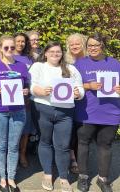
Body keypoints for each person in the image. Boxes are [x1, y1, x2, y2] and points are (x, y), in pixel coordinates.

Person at [29, 42, 84, 192]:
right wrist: (39, 91)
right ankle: (47, 174)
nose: (55, 54)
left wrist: (78, 94)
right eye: (51, 51)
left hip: (65, 113)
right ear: (45, 53)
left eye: (58, 51)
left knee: (63, 145)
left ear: (62, 53)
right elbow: (31, 85)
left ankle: (63, 177)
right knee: (45, 141)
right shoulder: (38, 67)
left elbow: (80, 87)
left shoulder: (71, 69)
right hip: (42, 109)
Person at [75, 33, 120, 192]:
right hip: (87, 112)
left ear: (103, 46)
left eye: (96, 45)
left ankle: (103, 179)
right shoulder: (80, 64)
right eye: (90, 46)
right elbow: (73, 86)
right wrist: (89, 86)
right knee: (83, 144)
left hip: (111, 112)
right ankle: (83, 177)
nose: (93, 48)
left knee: (105, 145)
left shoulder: (115, 64)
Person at [0, 35, 30, 192]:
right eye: (6, 48)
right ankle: (2, 178)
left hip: (18, 111)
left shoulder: (22, 66)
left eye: (12, 47)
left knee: (13, 146)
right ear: (1, 49)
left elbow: (27, 88)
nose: (10, 50)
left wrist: (26, 91)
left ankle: (11, 177)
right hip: (0, 111)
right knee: (1, 146)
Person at [64, 33, 87, 174]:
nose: (74, 46)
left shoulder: (89, 59)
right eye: (71, 44)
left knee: (82, 131)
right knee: (71, 130)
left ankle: (81, 157)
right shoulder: (65, 60)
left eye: (77, 43)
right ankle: (72, 158)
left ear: (83, 44)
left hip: (87, 101)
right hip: (69, 101)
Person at [13, 32, 35, 169]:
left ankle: (22, 153)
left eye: (23, 41)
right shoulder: (6, 56)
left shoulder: (29, 59)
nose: (20, 44)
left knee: (25, 129)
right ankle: (13, 154)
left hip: (26, 98)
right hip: (10, 98)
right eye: (18, 41)